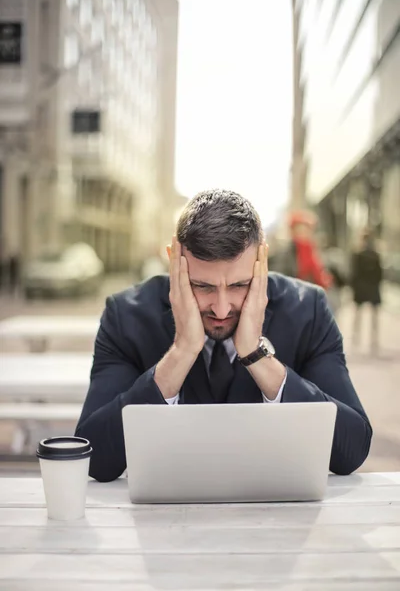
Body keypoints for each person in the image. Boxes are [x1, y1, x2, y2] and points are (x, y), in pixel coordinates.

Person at [76, 190, 372, 482]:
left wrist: (256, 355)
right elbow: (95, 458)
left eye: (239, 285)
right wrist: (181, 352)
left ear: (262, 262)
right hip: (166, 519)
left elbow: (351, 450)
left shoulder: (308, 311)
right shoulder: (126, 316)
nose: (220, 308)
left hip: (276, 515)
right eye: (202, 286)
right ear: (174, 261)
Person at [270, 210, 332, 290]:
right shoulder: (285, 255)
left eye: (306, 230)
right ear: (293, 232)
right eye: (300, 230)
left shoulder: (315, 252)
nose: (303, 234)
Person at [351, 231, 383, 352]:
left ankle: (356, 337)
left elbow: (354, 272)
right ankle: (373, 339)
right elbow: (380, 273)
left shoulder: (358, 254)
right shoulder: (376, 255)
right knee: (373, 315)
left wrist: (353, 287)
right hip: (372, 287)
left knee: (358, 314)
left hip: (361, 287)